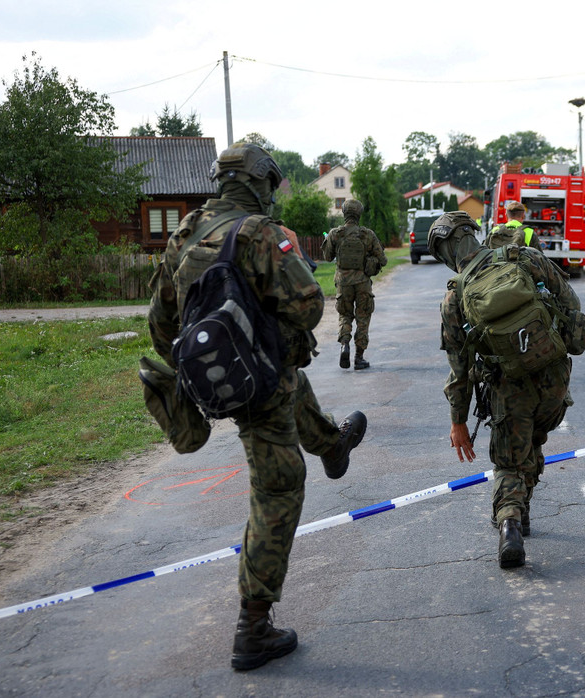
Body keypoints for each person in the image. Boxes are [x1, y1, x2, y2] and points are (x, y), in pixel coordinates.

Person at [147, 142, 368, 671]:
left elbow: (160, 328)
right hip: (258, 388)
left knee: (287, 375)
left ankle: (330, 444)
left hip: (218, 375)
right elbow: (310, 306)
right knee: (279, 486)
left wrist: (214, 357)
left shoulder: (184, 234)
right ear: (262, 181)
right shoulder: (261, 233)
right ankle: (254, 628)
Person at [430, 211, 581, 569]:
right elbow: (569, 301)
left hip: (508, 387)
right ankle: (522, 509)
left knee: (509, 460)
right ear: (472, 234)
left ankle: (510, 522)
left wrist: (458, 422)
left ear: (446, 253)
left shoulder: (454, 299)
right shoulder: (525, 258)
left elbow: (460, 370)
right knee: (533, 441)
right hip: (554, 376)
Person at [322, 199, 387, 370]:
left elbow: (327, 257)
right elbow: (383, 260)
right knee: (363, 318)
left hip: (343, 283)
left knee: (344, 315)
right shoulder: (367, 235)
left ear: (344, 213)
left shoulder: (335, 233)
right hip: (363, 283)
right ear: (359, 214)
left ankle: (345, 344)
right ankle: (359, 358)